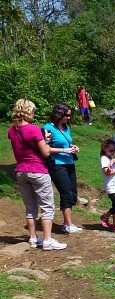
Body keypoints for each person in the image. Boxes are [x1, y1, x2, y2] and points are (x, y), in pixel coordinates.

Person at [7, 99, 67, 251]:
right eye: (33, 111)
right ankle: (47, 240)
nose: (34, 114)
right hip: (37, 170)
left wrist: (43, 140)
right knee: (47, 206)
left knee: (30, 207)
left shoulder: (11, 130)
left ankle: (33, 238)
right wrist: (45, 142)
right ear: (28, 112)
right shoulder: (33, 129)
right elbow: (45, 152)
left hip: (21, 170)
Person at [43, 103, 83, 234]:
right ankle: (67, 224)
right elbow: (45, 148)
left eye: (70, 115)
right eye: (66, 115)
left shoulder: (66, 128)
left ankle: (67, 223)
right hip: (57, 164)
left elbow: (67, 142)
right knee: (65, 193)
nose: (68, 118)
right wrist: (63, 150)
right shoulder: (48, 128)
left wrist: (73, 147)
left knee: (73, 193)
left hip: (69, 162)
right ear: (58, 114)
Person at [99, 139, 115, 234]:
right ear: (104, 149)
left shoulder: (111, 158)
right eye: (110, 150)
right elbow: (107, 172)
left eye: (114, 150)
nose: (112, 152)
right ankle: (105, 216)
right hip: (111, 186)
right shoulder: (104, 159)